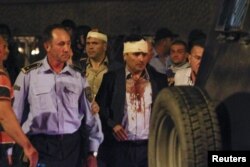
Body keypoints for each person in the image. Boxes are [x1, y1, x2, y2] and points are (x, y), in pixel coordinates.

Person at [12, 24, 103, 167]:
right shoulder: (28, 74)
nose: (66, 49)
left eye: (68, 43)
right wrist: (16, 148)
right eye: (61, 44)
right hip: (39, 145)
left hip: (71, 146)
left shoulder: (78, 76)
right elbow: (14, 115)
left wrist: (92, 152)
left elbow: (91, 116)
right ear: (47, 46)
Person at [95, 34, 168, 167]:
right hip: (119, 147)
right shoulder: (111, 79)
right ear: (125, 56)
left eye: (144, 54)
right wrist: (113, 125)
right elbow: (100, 108)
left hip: (148, 148)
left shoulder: (159, 79)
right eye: (136, 54)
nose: (141, 59)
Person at [0, 35, 38, 167]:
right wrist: (26, 145)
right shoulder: (1, 77)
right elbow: (4, 115)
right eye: (4, 46)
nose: (7, 51)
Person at [80, 30, 122, 98]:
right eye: (88, 43)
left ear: (105, 46)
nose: (90, 47)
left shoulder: (116, 68)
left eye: (95, 43)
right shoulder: (79, 67)